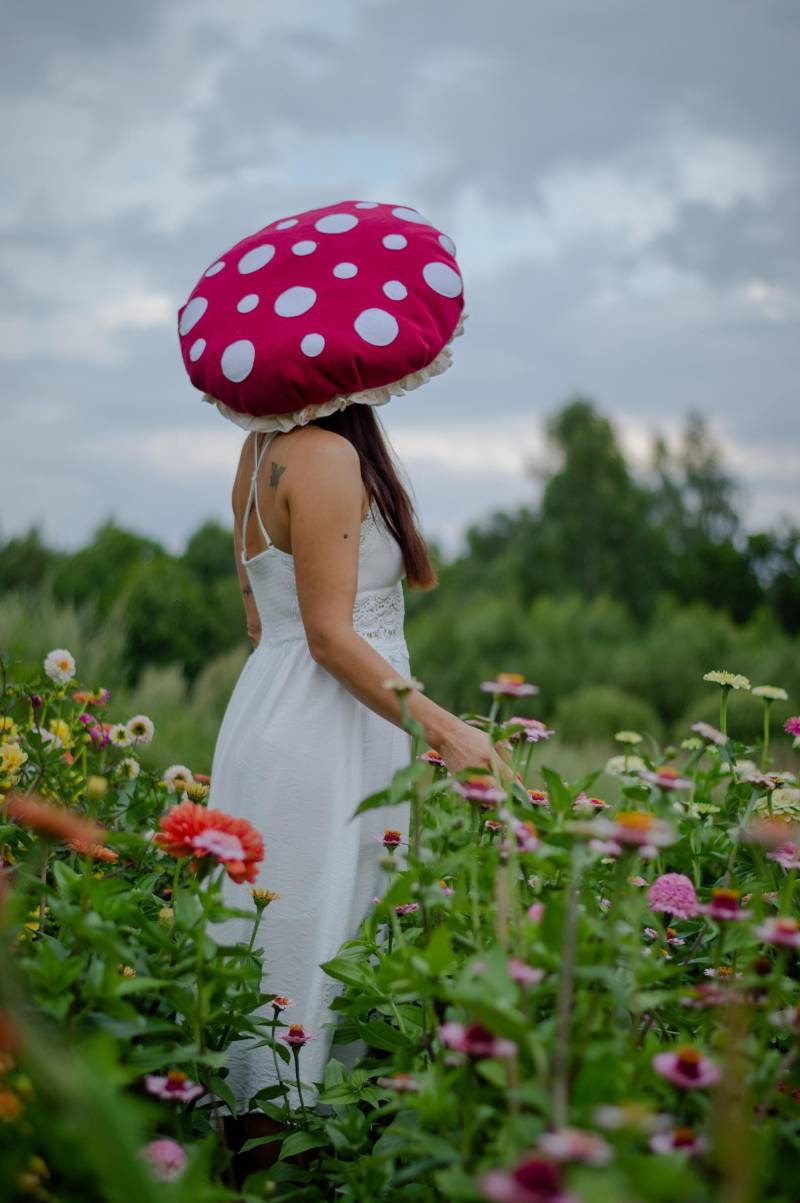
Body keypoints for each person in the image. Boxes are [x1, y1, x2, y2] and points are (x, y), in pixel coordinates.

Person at [176, 198, 512, 1178]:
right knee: (309, 938)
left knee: (281, 933)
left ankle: (258, 1161)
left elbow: (265, 621)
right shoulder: (322, 455)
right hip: (327, 723)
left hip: (270, 711)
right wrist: (447, 730)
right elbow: (328, 634)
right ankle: (298, 1168)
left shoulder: (258, 453)